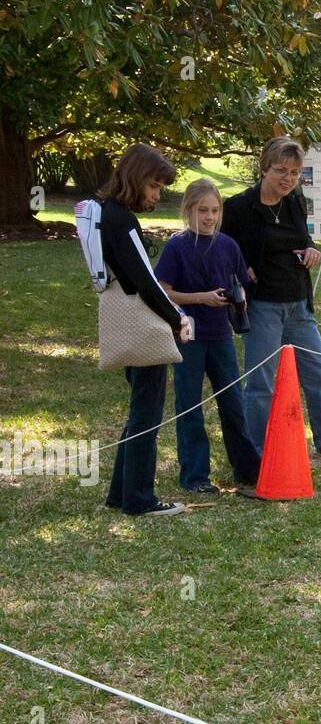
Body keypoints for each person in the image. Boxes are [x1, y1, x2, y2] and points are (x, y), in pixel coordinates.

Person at [222, 137, 321, 461]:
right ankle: (258, 450)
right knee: (261, 383)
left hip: (298, 303)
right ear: (264, 169)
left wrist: (311, 249)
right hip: (262, 306)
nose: (288, 178)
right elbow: (222, 253)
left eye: (295, 172)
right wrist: (243, 270)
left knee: (318, 373)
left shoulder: (295, 201)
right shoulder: (239, 207)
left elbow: (303, 238)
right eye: (281, 170)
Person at [99, 145, 193, 517]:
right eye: (153, 186)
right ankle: (139, 498)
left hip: (126, 320)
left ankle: (121, 492)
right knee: (147, 413)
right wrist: (177, 319)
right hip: (141, 324)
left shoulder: (106, 213)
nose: (156, 195)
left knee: (140, 409)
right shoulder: (121, 220)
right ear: (136, 178)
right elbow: (145, 281)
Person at [157, 179, 262, 496]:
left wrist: (238, 295)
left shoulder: (229, 245)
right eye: (202, 210)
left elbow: (242, 280)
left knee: (233, 402)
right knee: (189, 405)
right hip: (188, 336)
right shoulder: (177, 246)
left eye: (215, 211)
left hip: (221, 335)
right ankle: (194, 474)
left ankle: (247, 468)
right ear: (188, 210)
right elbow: (163, 291)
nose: (209, 217)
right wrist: (200, 297)